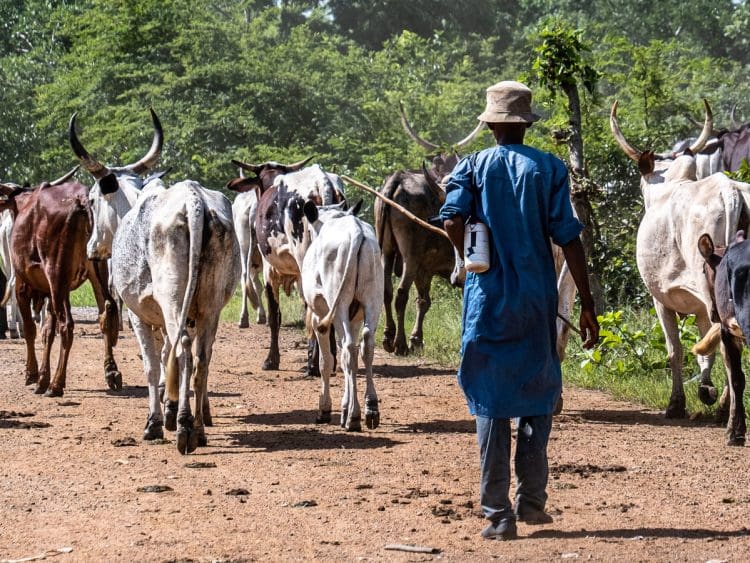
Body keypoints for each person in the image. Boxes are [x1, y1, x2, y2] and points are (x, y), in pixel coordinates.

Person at [440, 80, 599, 540]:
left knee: (489, 401)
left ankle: (497, 514)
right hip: (535, 301)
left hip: (486, 303)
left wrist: (469, 246)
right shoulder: (549, 169)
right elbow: (569, 236)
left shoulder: (472, 166)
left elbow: (451, 219)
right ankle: (532, 500)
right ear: (526, 125)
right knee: (536, 392)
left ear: (490, 125)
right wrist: (587, 305)